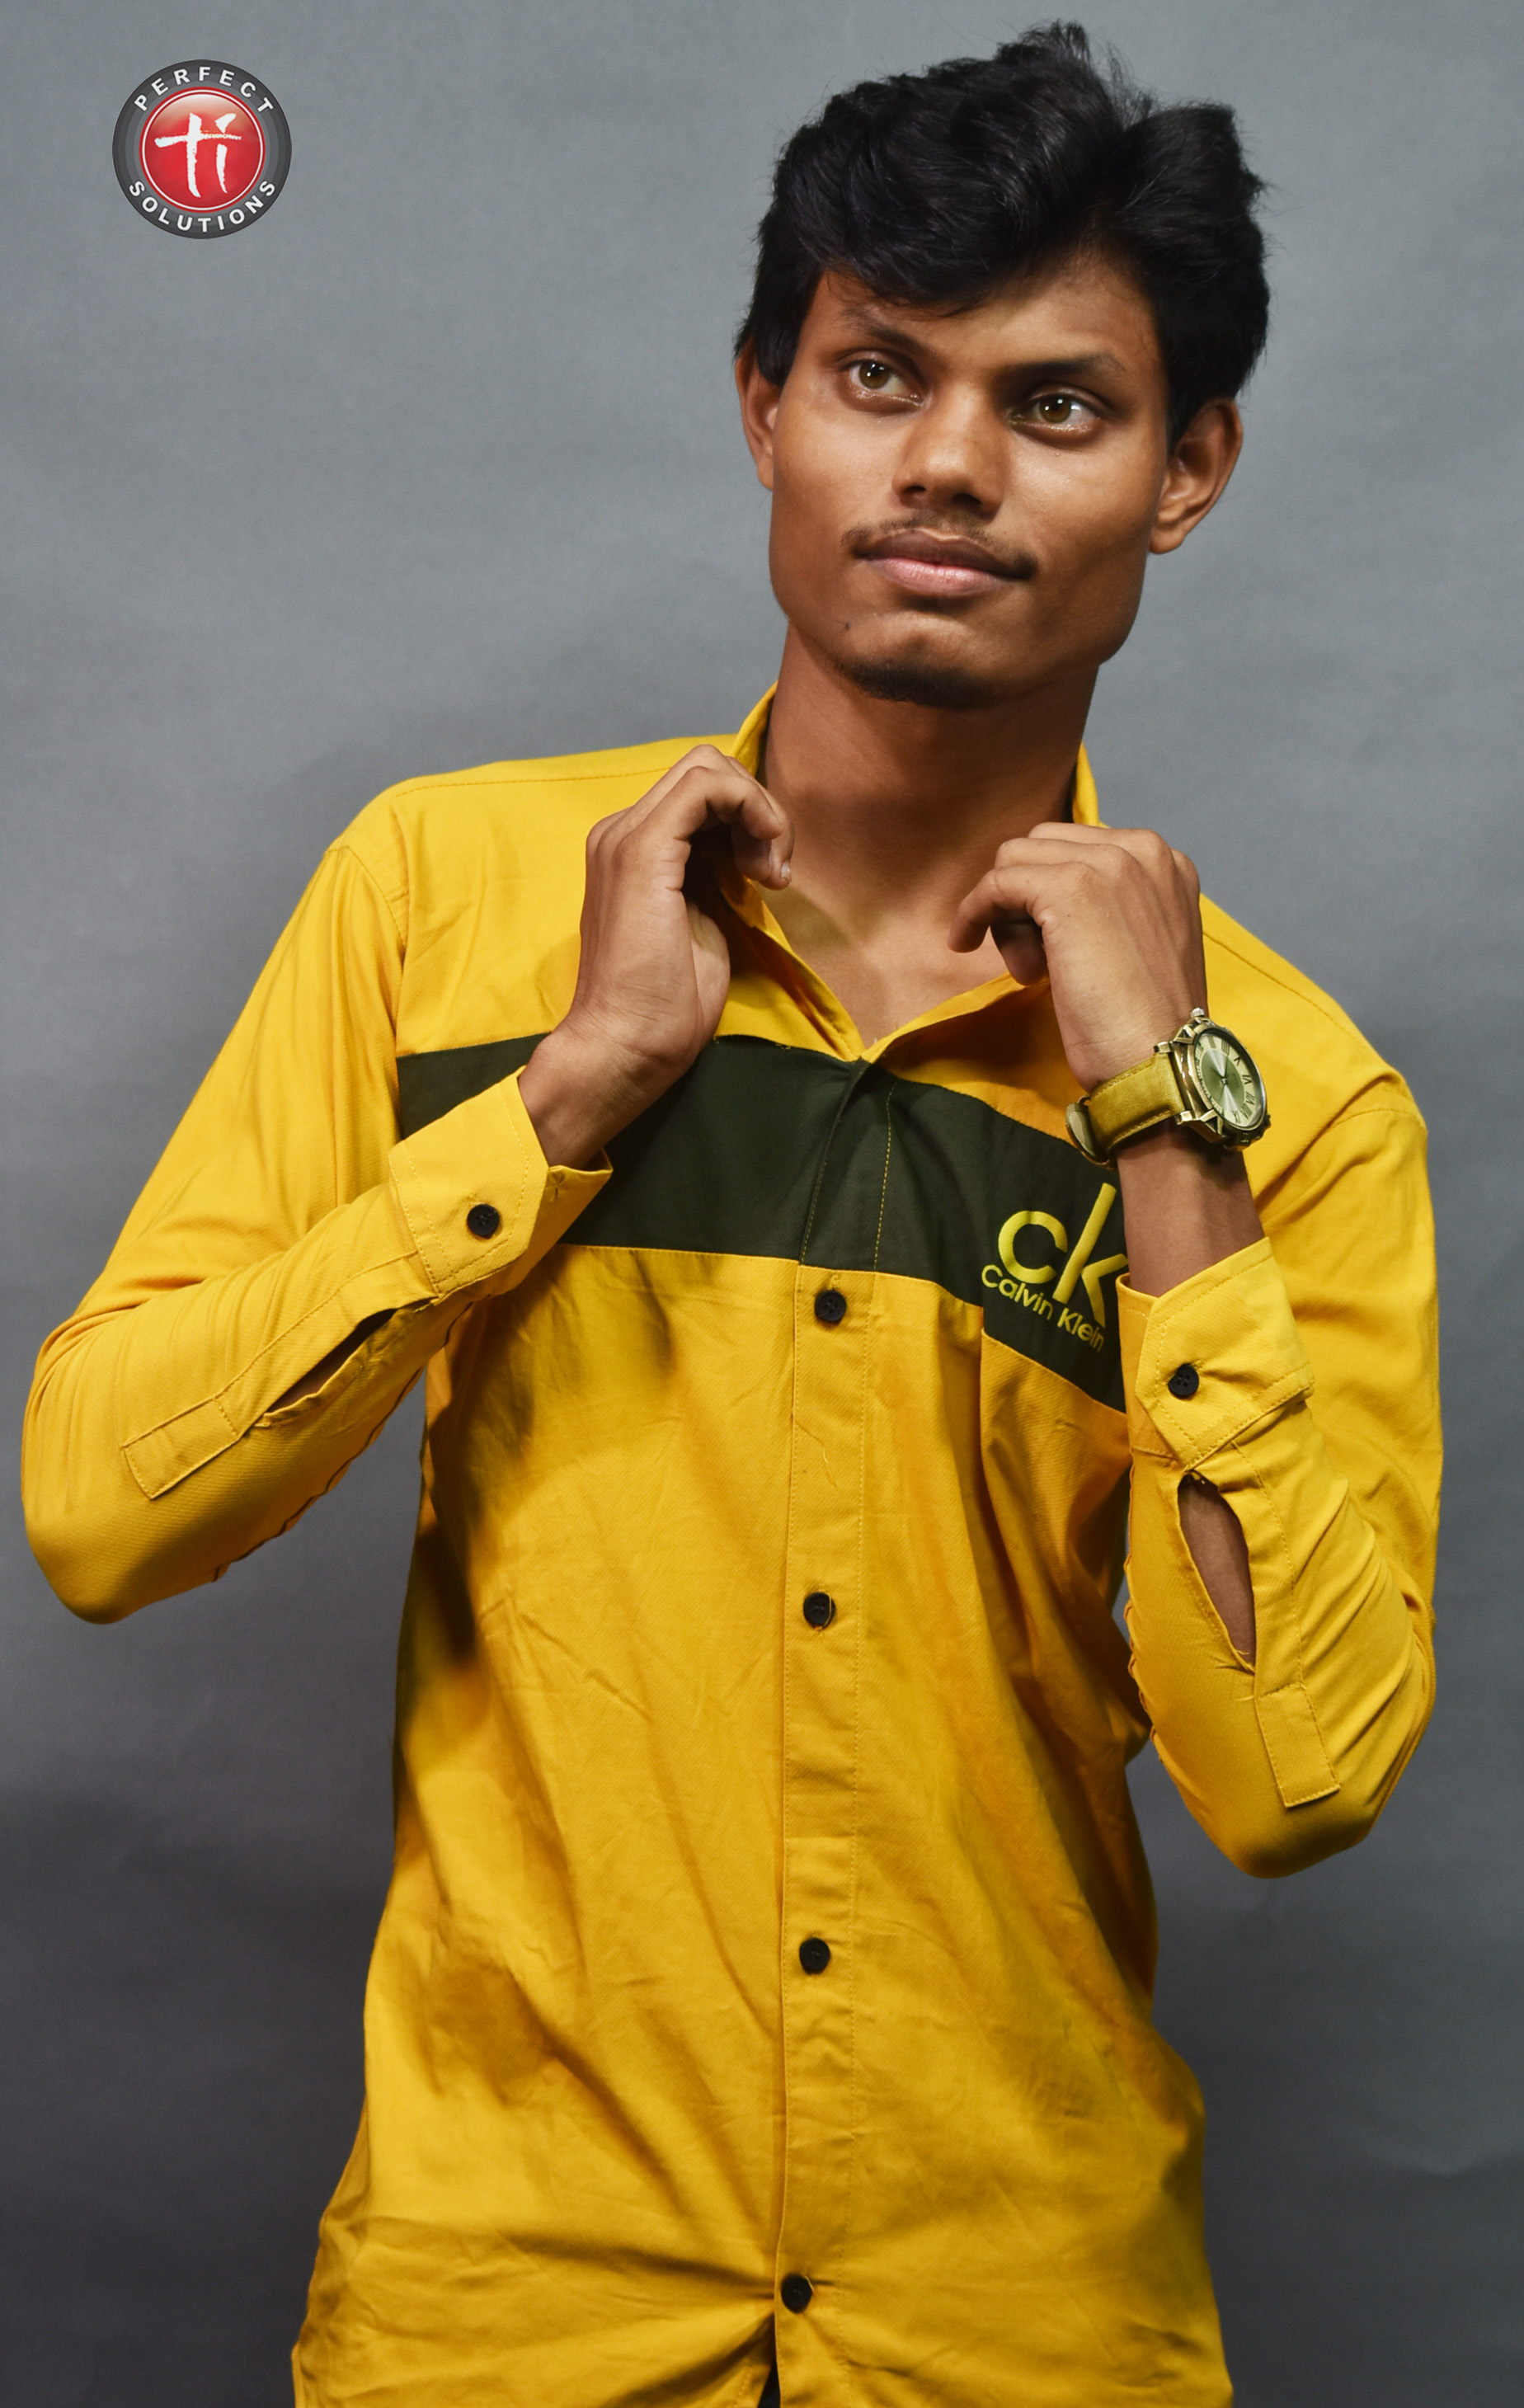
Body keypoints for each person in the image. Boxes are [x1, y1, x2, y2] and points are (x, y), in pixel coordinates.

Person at [22, 23, 1439, 2408]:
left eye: (1058, 404)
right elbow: (97, 1508)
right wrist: (564, 1097)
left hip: (1019, 2335)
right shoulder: (441, 897)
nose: (951, 464)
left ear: (1188, 467)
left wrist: (1164, 1121)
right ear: (765, 402)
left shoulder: (1287, 1096)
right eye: (882, 375)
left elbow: (1298, 1782)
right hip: (505, 2320)